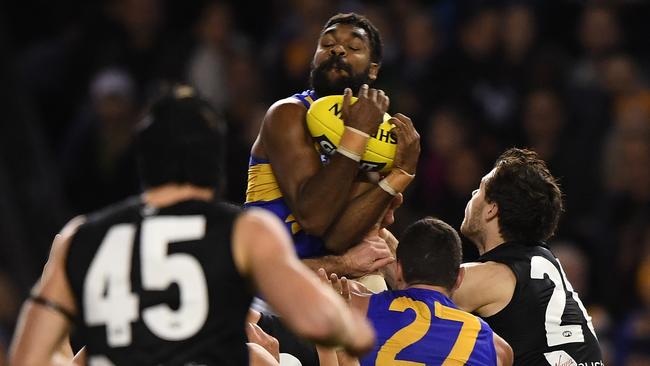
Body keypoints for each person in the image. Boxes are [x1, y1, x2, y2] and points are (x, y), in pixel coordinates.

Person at [8, 86, 374, 365]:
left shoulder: (80, 239)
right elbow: (337, 328)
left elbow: (27, 358)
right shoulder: (246, 231)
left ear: (143, 165)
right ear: (214, 167)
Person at [246, 13, 420, 276]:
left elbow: (337, 238)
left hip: (320, 275)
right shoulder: (287, 114)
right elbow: (313, 219)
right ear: (314, 59)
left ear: (373, 70)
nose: (337, 49)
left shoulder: (377, 135)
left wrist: (399, 176)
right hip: (265, 280)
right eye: (327, 45)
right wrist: (355, 136)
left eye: (353, 47)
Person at [452, 148, 603, 365]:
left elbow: (417, 286)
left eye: (480, 189)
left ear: (492, 210)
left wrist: (392, 186)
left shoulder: (495, 276)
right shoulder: (543, 263)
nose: (473, 194)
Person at [323, 217, 513, 366]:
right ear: (459, 278)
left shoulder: (352, 306)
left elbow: (298, 280)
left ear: (398, 270)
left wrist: (344, 263)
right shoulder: (497, 350)